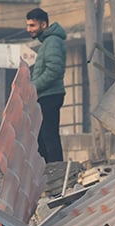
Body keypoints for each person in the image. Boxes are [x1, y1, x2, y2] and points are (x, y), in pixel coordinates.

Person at [26, 7, 66, 163]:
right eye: (28, 25)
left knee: (49, 138)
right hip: (46, 95)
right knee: (42, 139)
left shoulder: (52, 42)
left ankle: (56, 171)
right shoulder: (48, 43)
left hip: (50, 95)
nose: (28, 29)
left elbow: (54, 71)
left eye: (32, 26)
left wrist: (32, 86)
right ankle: (48, 173)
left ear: (43, 25)